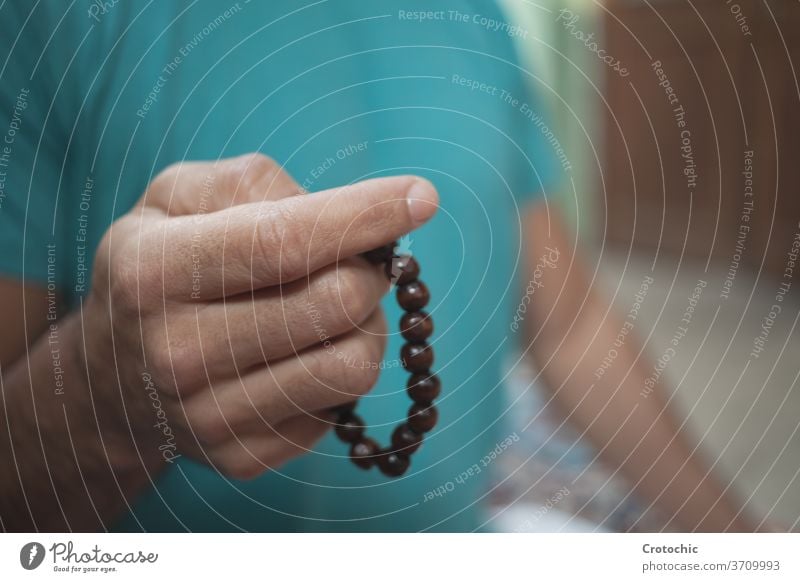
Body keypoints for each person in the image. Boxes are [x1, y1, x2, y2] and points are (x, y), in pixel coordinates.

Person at [0, 1, 752, 532]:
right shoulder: (45, 24)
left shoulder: (476, 17)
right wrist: (101, 409)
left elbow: (571, 325)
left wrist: (744, 547)